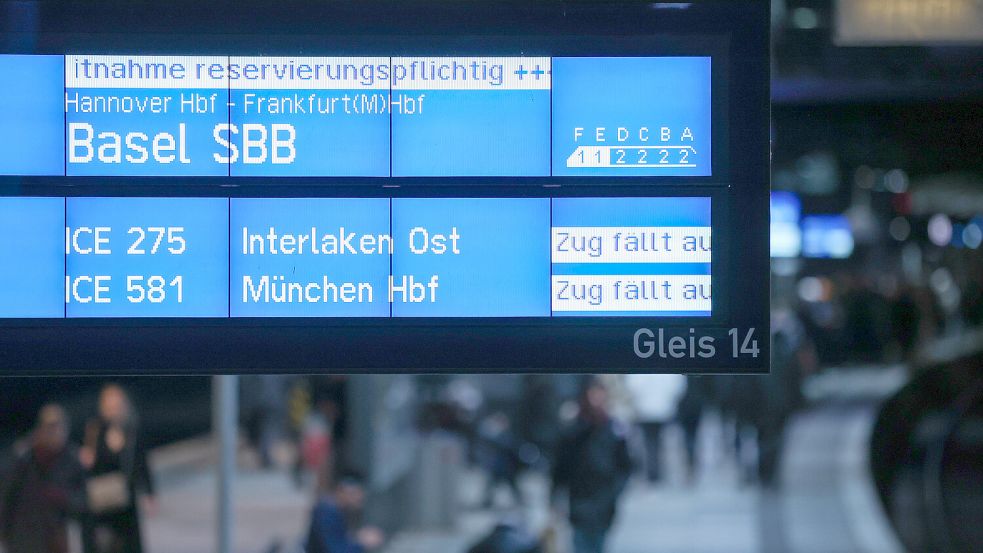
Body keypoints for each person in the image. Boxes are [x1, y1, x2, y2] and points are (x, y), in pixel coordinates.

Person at [551, 379, 632, 553]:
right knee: (580, 542)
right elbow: (561, 464)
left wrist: (616, 489)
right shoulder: (574, 428)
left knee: (599, 543)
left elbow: (625, 464)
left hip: (604, 498)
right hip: (579, 496)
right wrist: (555, 495)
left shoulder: (614, 428)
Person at [0, 404, 86, 553]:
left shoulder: (73, 460)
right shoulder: (23, 458)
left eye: (58, 426)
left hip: (59, 537)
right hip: (24, 538)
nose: (54, 432)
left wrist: (63, 497)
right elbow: (7, 495)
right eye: (49, 427)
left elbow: (83, 499)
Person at [80, 384, 155, 553]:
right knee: (105, 543)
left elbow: (142, 463)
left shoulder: (132, 431)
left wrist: (150, 493)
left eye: (117, 406)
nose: (114, 411)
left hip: (127, 499)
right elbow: (90, 464)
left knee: (128, 544)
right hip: (103, 500)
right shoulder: (96, 429)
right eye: (110, 406)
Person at [625, 374, 686, 483]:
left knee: (650, 441)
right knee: (657, 441)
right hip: (660, 409)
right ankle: (655, 470)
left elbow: (632, 385)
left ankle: (653, 471)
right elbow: (678, 386)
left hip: (647, 409)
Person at [306, 473, 384, 553]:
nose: (360, 497)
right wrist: (362, 543)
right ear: (343, 491)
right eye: (355, 493)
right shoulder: (327, 513)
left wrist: (357, 539)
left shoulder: (335, 511)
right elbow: (335, 550)